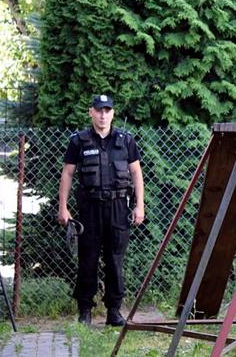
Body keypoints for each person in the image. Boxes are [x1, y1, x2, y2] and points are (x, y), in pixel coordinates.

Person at [57, 94, 145, 326]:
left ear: (112, 114)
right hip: (90, 208)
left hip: (118, 207)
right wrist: (63, 207)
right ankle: (85, 311)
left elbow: (136, 173)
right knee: (88, 260)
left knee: (115, 260)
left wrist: (140, 205)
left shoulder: (126, 140)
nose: (103, 115)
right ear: (91, 112)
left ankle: (113, 312)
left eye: (107, 110)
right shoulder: (79, 141)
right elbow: (67, 173)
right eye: (99, 110)